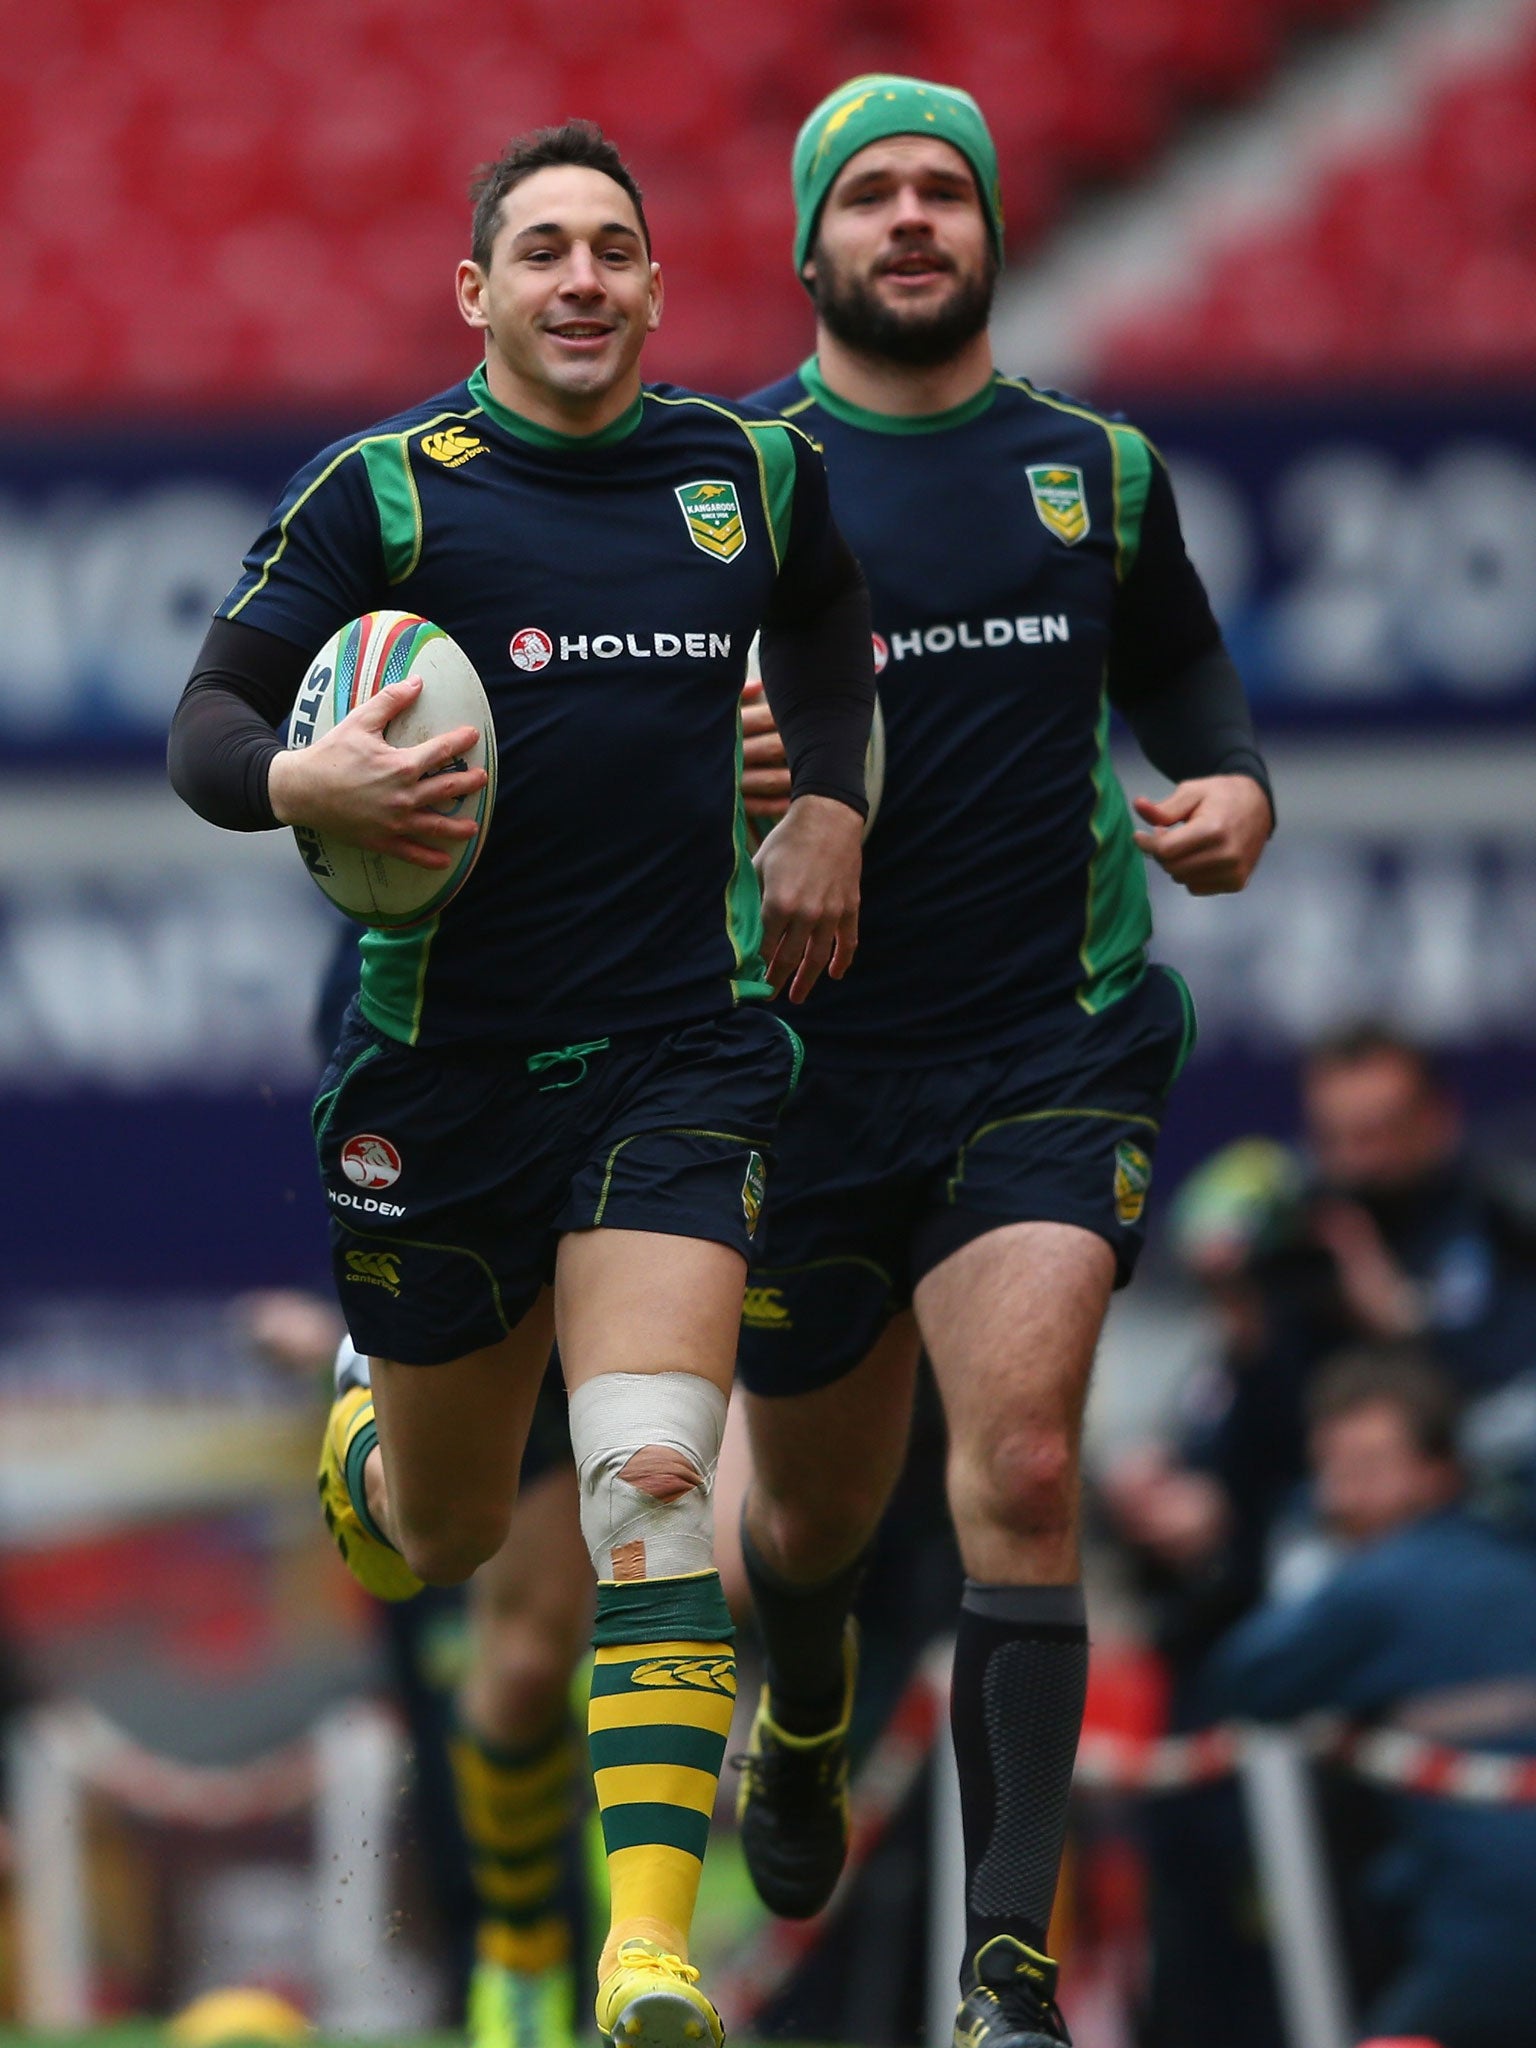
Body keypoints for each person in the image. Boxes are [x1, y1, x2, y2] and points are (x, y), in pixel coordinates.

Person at [168, 119, 876, 2048]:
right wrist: (297, 782)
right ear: (476, 293)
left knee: (654, 1473)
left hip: (682, 1057)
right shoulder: (388, 495)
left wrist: (826, 800)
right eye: (544, 251)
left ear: (657, 287)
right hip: (446, 1079)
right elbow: (210, 722)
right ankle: (365, 1435)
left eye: (616, 250)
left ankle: (641, 1948)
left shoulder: (746, 475)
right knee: (451, 1532)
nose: (584, 279)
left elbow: (823, 616)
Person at [727, 76, 1273, 2048]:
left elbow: (1188, 671)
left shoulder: (1095, 472)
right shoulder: (729, 484)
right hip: (803, 1075)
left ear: (988, 232)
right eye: (865, 193)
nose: (906, 219)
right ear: (810, 244)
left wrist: (1232, 787)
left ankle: (1004, 1972)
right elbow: (616, 744)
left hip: (1047, 1047)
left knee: (1027, 1462)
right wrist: (738, 772)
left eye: (940, 188)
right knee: (807, 1527)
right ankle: (800, 1719)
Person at [1203, 1346, 1536, 2048]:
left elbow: (1241, 1679)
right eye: (1330, 1470)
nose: (1339, 1498)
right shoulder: (1514, 1556)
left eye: (1367, 1469)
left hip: (1485, 1950)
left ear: (1440, 1471)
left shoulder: (1380, 1584)